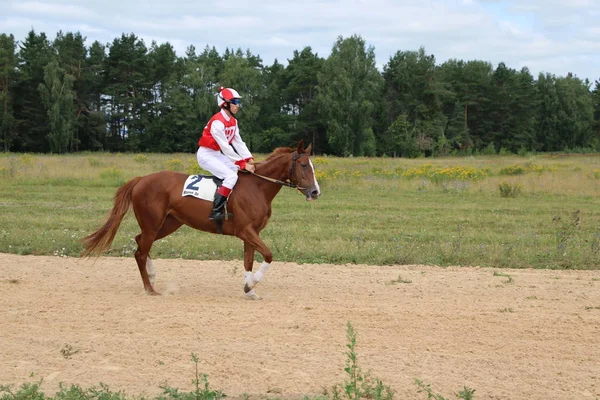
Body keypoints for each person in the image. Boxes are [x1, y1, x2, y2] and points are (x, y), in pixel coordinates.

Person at [197, 87, 255, 221]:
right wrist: (241, 163)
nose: (238, 105)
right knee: (231, 177)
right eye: (234, 102)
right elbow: (226, 147)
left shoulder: (233, 122)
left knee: (238, 172)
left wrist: (249, 158)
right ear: (225, 103)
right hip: (206, 155)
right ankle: (215, 211)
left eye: (238, 102)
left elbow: (238, 142)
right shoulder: (217, 122)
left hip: (216, 154)